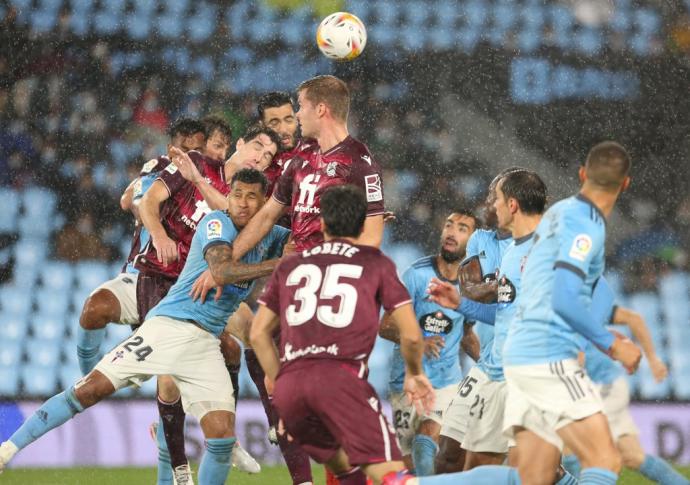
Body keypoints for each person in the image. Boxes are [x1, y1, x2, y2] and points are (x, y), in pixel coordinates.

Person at [0, 169, 290, 485]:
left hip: (206, 342)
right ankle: (8, 449)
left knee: (221, 437)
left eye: (252, 196)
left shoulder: (273, 236)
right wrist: (282, 264)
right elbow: (221, 271)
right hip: (169, 326)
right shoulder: (216, 222)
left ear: (265, 202)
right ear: (228, 196)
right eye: (237, 194)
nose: (243, 203)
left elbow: (307, 244)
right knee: (90, 389)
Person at [249, 185, 435, 485]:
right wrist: (414, 373)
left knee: (349, 473)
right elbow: (411, 336)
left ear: (321, 223)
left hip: (291, 391)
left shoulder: (291, 265)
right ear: (364, 225)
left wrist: (283, 387)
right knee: (392, 476)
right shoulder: (375, 263)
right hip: (340, 380)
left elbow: (258, 334)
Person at [140, 125, 281, 482]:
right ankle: (177, 465)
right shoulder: (200, 162)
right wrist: (157, 230)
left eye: (268, 156)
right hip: (165, 277)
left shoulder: (247, 192)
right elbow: (139, 199)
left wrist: (220, 268)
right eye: (257, 148)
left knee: (246, 337)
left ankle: (271, 422)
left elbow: (234, 216)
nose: (261, 157)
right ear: (238, 144)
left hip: (213, 278)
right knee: (169, 380)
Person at [428, 170, 549, 471]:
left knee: (529, 469)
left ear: (512, 204)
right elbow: (485, 298)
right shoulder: (487, 242)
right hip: (491, 366)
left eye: (495, 196)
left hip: (525, 369)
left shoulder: (546, 246)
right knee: (453, 456)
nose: (488, 203)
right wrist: (462, 302)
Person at [76, 117, 206, 376]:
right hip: (142, 273)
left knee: (170, 365)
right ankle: (88, 377)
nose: (189, 156)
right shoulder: (161, 168)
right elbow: (129, 199)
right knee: (96, 308)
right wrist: (148, 210)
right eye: (183, 148)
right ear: (171, 149)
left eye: (197, 150)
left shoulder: (208, 183)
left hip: (181, 281)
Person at [229, 75, 385, 260]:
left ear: (320, 110)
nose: (298, 114)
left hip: (329, 280)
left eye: (302, 106)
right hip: (295, 276)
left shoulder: (360, 163)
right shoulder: (301, 158)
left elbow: (371, 239)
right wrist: (228, 261)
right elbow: (266, 217)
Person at [379, 209, 477, 476]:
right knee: (411, 464)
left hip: (446, 383)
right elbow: (385, 326)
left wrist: (492, 366)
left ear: (473, 241)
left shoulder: (471, 285)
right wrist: (418, 341)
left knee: (427, 440)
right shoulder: (415, 276)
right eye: (449, 225)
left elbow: (466, 334)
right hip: (406, 381)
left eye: (462, 228)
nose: (452, 232)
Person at [563, 304, 688, 484]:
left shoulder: (572, 302)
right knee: (633, 456)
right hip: (606, 384)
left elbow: (633, 318)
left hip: (601, 386)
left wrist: (653, 359)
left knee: (571, 444)